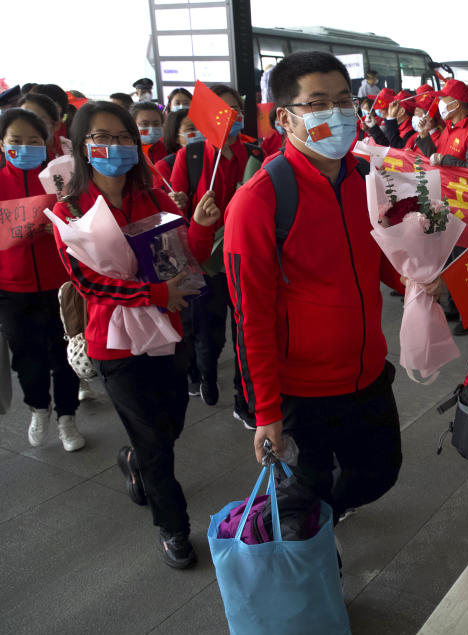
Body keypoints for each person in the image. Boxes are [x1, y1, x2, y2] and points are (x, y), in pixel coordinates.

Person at [225, 51, 410, 541]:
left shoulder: (370, 179)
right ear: (284, 117)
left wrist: (414, 278)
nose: (338, 112)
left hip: (368, 370)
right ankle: (315, 546)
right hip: (300, 391)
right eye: (319, 103)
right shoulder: (260, 199)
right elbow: (251, 318)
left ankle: (322, 510)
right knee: (307, 491)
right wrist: (265, 411)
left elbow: (380, 254)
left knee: (380, 472)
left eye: (345, 100)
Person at [50, 100, 220, 568]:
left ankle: (133, 459)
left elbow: (186, 257)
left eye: (123, 137)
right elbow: (88, 282)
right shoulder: (68, 209)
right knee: (155, 445)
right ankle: (174, 528)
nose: (115, 146)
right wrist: (154, 294)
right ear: (83, 147)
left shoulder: (157, 198)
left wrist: (203, 229)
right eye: (102, 137)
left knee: (171, 426)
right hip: (114, 343)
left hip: (169, 333)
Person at [170, 84, 259, 424]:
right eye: (221, 109)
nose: (229, 116)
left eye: (235, 109)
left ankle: (244, 397)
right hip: (204, 262)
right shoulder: (190, 157)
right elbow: (175, 212)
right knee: (208, 334)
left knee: (246, 334)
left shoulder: (256, 153)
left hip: (245, 260)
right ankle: (206, 373)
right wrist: (181, 205)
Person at [0, 108, 84, 451]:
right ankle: (39, 408)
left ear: (46, 142)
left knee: (64, 351)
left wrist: (63, 225)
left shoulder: (59, 178)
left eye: (33, 141)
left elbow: (82, 220)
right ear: (2, 144)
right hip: (11, 287)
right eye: (15, 141)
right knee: (25, 356)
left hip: (58, 283)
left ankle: (67, 416)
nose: (25, 147)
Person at [418, 78, 468, 170]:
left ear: (456, 104)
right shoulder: (448, 127)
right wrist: (424, 135)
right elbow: (435, 158)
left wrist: (444, 160)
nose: (440, 103)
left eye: (443, 98)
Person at [17, 93, 63, 158]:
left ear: (56, 125)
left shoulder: (70, 151)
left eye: (36, 121)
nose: (27, 127)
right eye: (22, 121)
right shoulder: (12, 153)